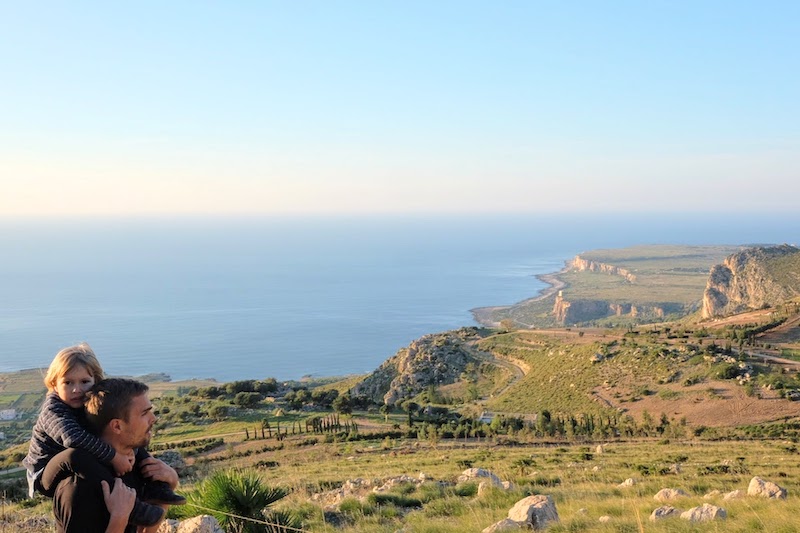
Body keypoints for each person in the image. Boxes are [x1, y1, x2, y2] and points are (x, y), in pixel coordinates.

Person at [23, 343, 183, 527]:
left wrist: (131, 454)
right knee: (75, 455)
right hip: (47, 472)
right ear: (54, 385)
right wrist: (114, 456)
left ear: (96, 381)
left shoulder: (87, 402)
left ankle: (156, 489)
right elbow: (72, 439)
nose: (77, 389)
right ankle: (131, 508)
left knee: (130, 438)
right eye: (68, 382)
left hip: (84, 461)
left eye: (84, 382)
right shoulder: (54, 410)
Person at [50, 378, 182, 533]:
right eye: (144, 413)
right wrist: (119, 518)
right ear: (117, 426)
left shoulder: (134, 465)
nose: (153, 418)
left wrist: (167, 487)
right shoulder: (79, 487)